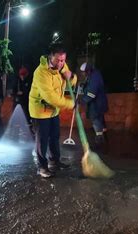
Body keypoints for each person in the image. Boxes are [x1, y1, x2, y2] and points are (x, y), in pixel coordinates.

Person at [29, 45, 77, 178]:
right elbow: (50, 97)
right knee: (42, 140)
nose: (61, 63)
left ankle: (54, 161)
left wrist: (71, 76)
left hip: (53, 111)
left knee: (54, 137)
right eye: (58, 60)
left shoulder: (62, 66)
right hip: (40, 111)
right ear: (50, 57)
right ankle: (42, 167)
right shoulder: (41, 73)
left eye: (63, 60)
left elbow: (70, 82)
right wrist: (70, 104)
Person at [79, 62, 109, 144]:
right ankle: (104, 138)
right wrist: (84, 85)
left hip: (96, 104)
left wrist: (83, 100)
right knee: (100, 120)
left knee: (95, 119)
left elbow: (92, 92)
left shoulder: (94, 77)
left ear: (88, 71)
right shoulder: (93, 75)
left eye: (83, 72)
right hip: (98, 103)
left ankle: (100, 139)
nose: (82, 74)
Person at [12, 66, 33, 134]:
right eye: (21, 75)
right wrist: (15, 94)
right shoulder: (17, 81)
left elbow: (30, 91)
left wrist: (24, 93)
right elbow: (13, 90)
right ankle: (16, 132)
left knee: (27, 117)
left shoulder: (30, 81)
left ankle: (28, 131)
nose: (22, 77)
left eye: (24, 75)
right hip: (17, 102)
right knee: (16, 118)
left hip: (26, 102)